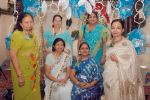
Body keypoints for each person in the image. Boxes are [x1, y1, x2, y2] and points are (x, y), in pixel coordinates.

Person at [103, 19, 145, 100]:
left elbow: (133, 63)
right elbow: (106, 59)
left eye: (118, 28)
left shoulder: (127, 44)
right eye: (113, 28)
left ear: (122, 30)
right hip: (109, 76)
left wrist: (118, 60)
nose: (115, 30)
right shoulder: (108, 43)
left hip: (121, 78)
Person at [10, 12, 41, 100]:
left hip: (33, 71)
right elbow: (13, 55)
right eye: (26, 22)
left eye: (31, 22)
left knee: (34, 93)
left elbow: (35, 51)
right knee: (23, 94)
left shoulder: (32, 34)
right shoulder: (17, 35)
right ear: (20, 23)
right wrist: (20, 75)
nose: (29, 24)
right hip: (21, 71)